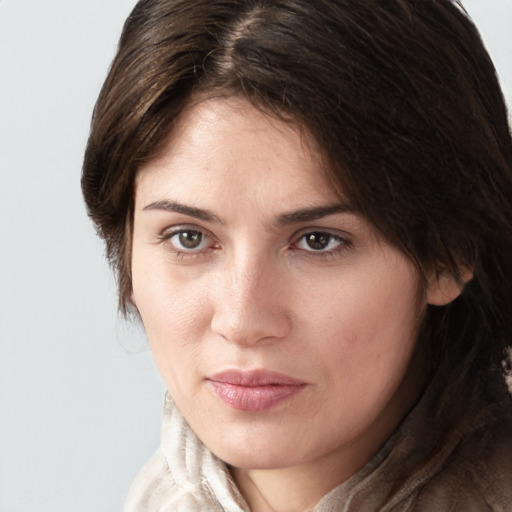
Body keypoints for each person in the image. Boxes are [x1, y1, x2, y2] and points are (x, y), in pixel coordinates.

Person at [81, 0, 512, 510]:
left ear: (447, 249)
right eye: (189, 237)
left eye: (318, 240)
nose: (242, 320)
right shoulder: (160, 495)